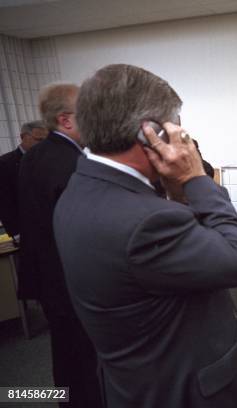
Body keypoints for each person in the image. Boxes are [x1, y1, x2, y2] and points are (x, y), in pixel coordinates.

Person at [53, 64, 237, 408]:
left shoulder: (79, 190)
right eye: (174, 124)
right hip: (186, 391)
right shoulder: (147, 221)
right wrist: (197, 179)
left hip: (132, 382)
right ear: (149, 132)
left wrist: (178, 195)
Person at [17, 84, 102, 407]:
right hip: (73, 281)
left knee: (64, 356)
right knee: (85, 361)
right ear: (66, 120)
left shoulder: (34, 156)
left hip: (49, 279)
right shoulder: (71, 164)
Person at [0, 120, 47, 239]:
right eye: (38, 139)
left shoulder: (49, 160)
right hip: (25, 229)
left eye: (45, 140)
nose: (42, 144)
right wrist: (16, 233)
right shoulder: (5, 163)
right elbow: (4, 201)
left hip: (50, 225)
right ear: (23, 137)